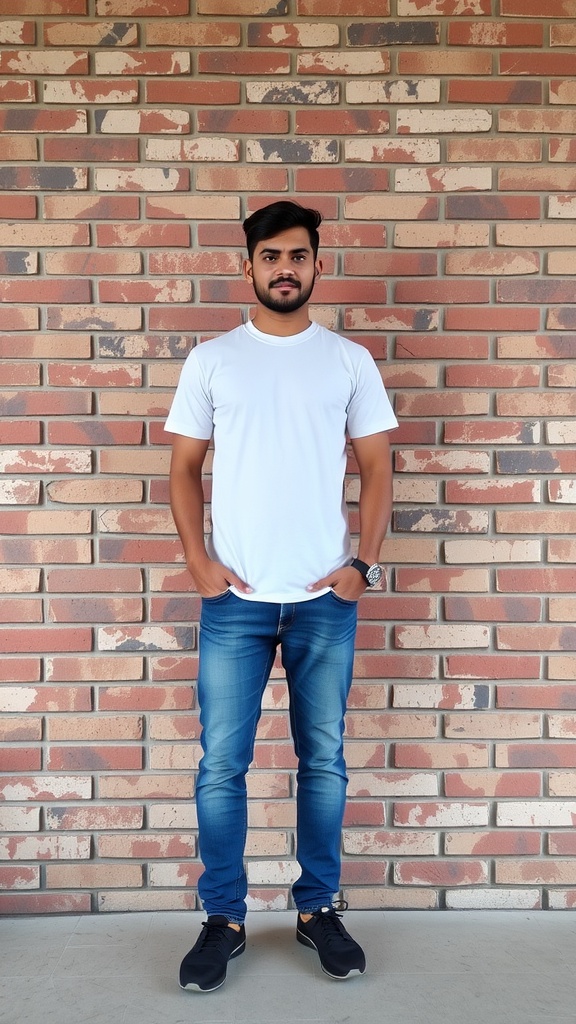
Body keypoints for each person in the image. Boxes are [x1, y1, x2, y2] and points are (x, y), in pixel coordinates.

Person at [165, 200, 397, 993]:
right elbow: (183, 469)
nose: (285, 269)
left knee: (323, 762)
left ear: (317, 265)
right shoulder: (213, 360)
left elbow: (377, 470)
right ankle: (222, 919)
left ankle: (318, 910)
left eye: (298, 256)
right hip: (233, 601)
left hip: (323, 601)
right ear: (250, 268)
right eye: (271, 257)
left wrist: (361, 565)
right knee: (220, 766)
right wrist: (197, 561)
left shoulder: (348, 361)